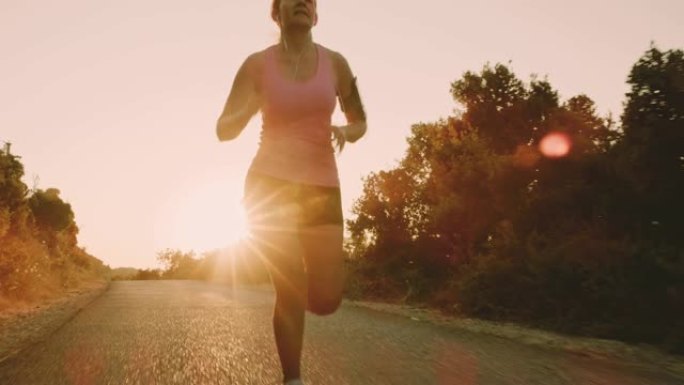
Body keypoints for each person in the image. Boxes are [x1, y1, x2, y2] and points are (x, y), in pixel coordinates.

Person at [215, 1, 367, 384]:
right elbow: (223, 130)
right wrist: (250, 106)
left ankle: (305, 296)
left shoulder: (336, 63)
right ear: (276, 13)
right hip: (269, 187)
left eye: (310, 0)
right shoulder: (255, 65)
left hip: (321, 186)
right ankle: (293, 379)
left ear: (315, 15)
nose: (302, 1)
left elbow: (359, 119)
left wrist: (347, 132)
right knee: (289, 288)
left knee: (327, 299)